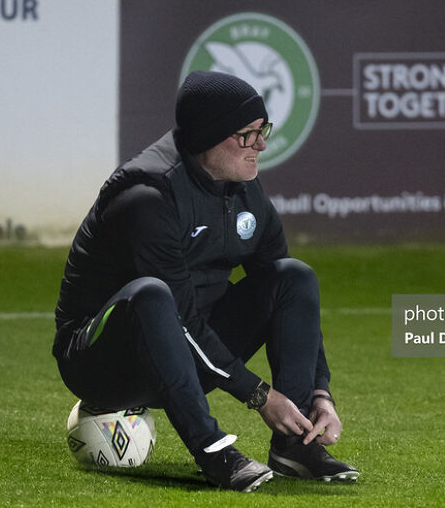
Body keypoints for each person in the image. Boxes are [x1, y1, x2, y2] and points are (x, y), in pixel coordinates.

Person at [51, 71, 359, 493]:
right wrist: (258, 395)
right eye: (248, 135)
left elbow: (292, 301)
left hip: (188, 350)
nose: (262, 146)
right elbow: (177, 316)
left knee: (293, 276)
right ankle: (213, 452)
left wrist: (320, 393)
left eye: (262, 131)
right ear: (209, 136)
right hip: (102, 362)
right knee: (152, 294)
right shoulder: (148, 194)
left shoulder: (244, 186)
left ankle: (297, 443)